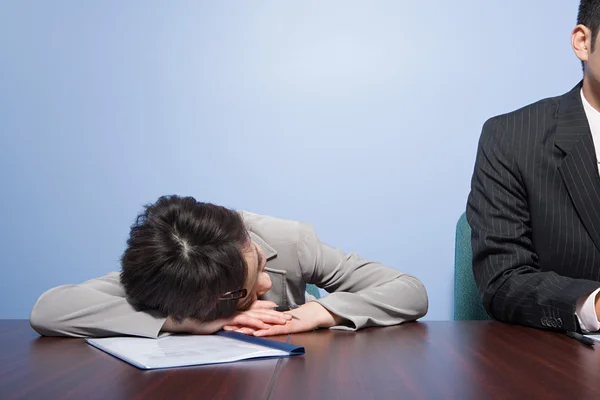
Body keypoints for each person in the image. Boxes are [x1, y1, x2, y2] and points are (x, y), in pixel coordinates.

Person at [30, 195, 428, 338]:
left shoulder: (288, 240)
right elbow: (49, 310)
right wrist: (185, 322)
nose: (266, 284)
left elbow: (410, 290)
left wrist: (318, 310)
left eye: (256, 262)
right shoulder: (167, 270)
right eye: (244, 289)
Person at [467, 0, 600, 333]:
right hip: (563, 366)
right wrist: (594, 305)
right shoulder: (510, 139)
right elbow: (504, 280)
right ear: (583, 42)